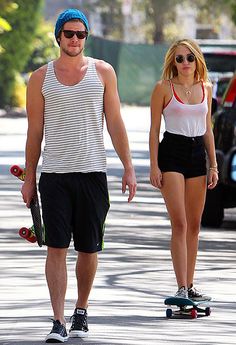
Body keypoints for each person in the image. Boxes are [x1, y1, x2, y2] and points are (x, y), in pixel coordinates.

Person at [21, 8, 137, 343]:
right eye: (68, 33)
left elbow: (115, 122)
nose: (74, 39)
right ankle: (57, 320)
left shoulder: (103, 72)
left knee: (89, 248)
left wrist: (128, 167)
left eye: (80, 34)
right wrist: (30, 178)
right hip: (55, 175)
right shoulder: (40, 78)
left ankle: (81, 311)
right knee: (55, 247)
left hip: (92, 174)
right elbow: (34, 133)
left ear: (86, 37)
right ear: (58, 36)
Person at [149, 39, 218, 301]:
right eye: (179, 58)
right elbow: (155, 129)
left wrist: (213, 164)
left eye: (190, 57)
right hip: (172, 153)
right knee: (179, 223)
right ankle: (180, 287)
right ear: (172, 62)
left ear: (197, 59)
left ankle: (190, 286)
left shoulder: (206, 88)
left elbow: (208, 128)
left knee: (195, 225)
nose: (185, 63)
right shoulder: (163, 88)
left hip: (196, 153)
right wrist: (154, 166)